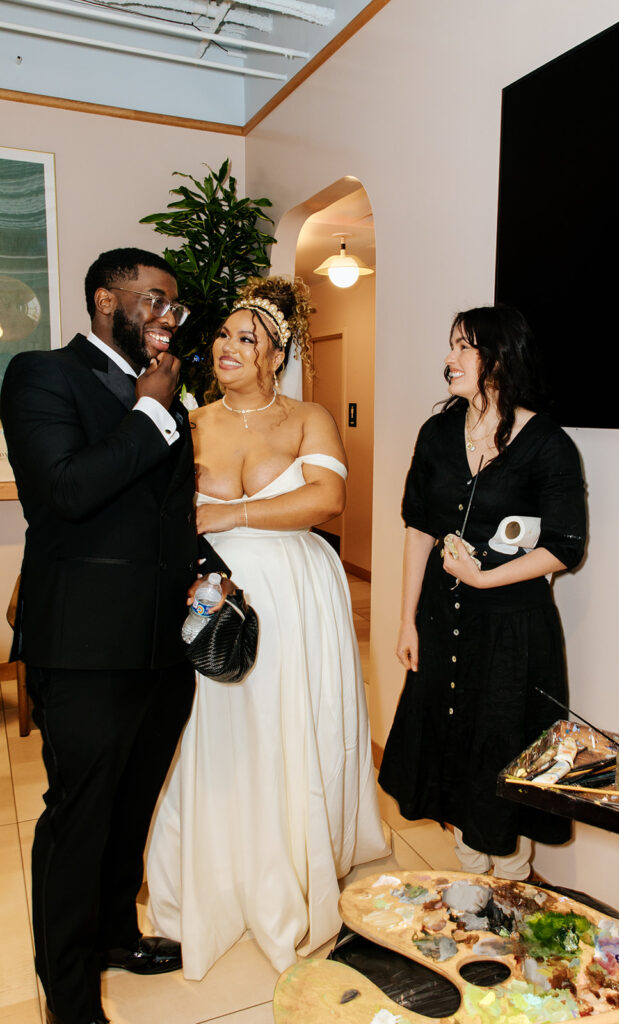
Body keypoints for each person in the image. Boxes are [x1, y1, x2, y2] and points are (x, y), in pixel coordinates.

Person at [0, 248, 230, 1024]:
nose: (169, 317)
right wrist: (151, 413)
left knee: (131, 809)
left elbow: (167, 512)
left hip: (162, 648)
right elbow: (65, 491)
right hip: (85, 650)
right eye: (154, 300)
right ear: (105, 300)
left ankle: (113, 938)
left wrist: (209, 570)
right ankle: (69, 1000)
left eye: (175, 306)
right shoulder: (42, 376)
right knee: (80, 820)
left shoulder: (164, 395)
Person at [146, 276, 388, 976]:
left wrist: (230, 513)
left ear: (276, 356)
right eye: (224, 334)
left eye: (246, 338)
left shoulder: (309, 417)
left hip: (295, 596)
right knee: (218, 730)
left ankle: (296, 858)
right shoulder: (192, 422)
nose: (227, 346)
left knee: (290, 723)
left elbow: (327, 499)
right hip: (214, 596)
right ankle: (219, 869)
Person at [378, 304, 586, 881]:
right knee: (448, 747)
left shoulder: (547, 444)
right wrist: (406, 620)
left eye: (464, 347)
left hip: (512, 631)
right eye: (452, 345)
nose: (450, 358)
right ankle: (469, 882)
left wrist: (483, 578)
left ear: (500, 358)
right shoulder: (437, 434)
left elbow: (565, 545)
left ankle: (513, 884)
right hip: (441, 620)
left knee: (501, 751)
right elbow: (419, 528)